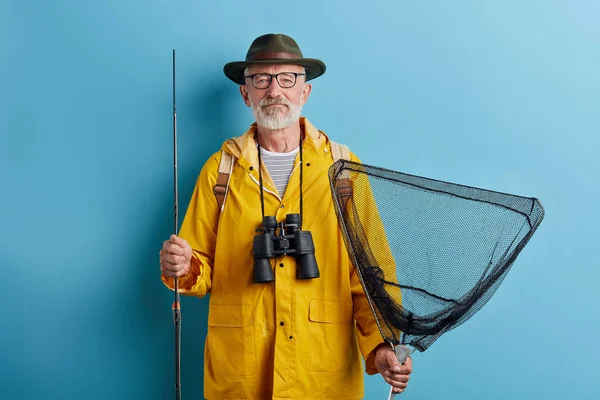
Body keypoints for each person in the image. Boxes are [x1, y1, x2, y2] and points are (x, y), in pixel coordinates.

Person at [159, 33, 413, 400]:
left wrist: (382, 345)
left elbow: (372, 272)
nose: (274, 90)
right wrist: (181, 265)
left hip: (322, 377)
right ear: (246, 94)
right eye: (261, 79)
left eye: (287, 78)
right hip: (242, 377)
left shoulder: (342, 169)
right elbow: (198, 265)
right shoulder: (220, 171)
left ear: (304, 92)